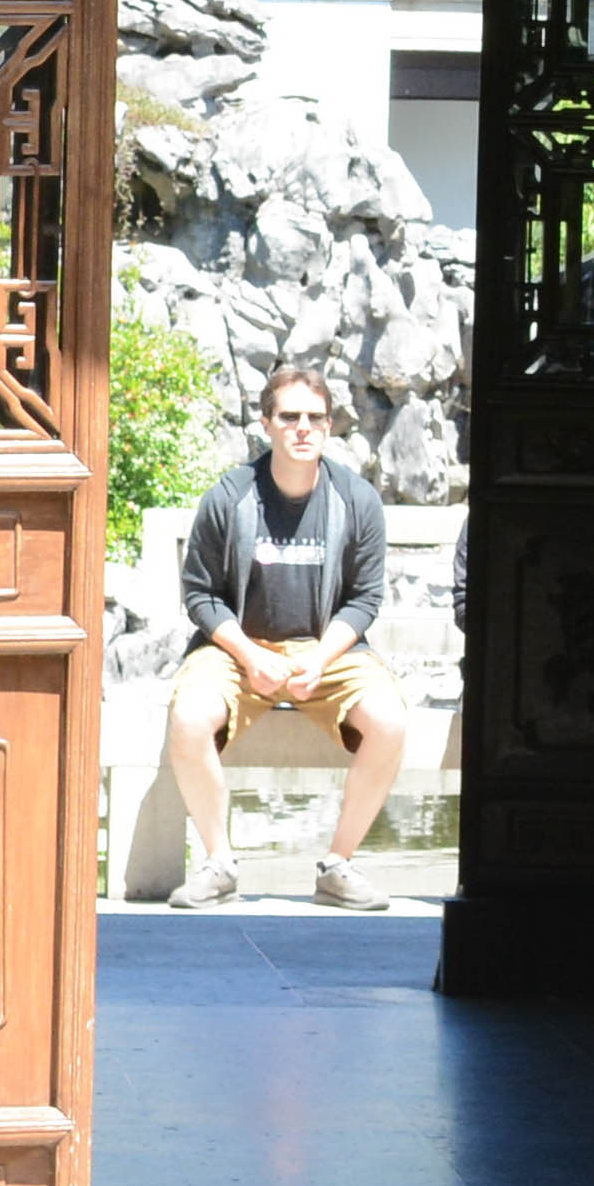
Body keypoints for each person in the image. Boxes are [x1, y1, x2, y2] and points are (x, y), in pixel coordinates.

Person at [164, 364, 404, 909]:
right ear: (266, 423)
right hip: (236, 648)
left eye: (315, 418)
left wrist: (319, 660)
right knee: (189, 716)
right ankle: (218, 863)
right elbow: (200, 594)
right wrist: (250, 656)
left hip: (327, 648)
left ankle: (339, 865)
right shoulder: (229, 496)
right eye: (290, 416)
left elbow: (365, 598)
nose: (303, 428)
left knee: (389, 721)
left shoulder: (357, 500)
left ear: (330, 426)